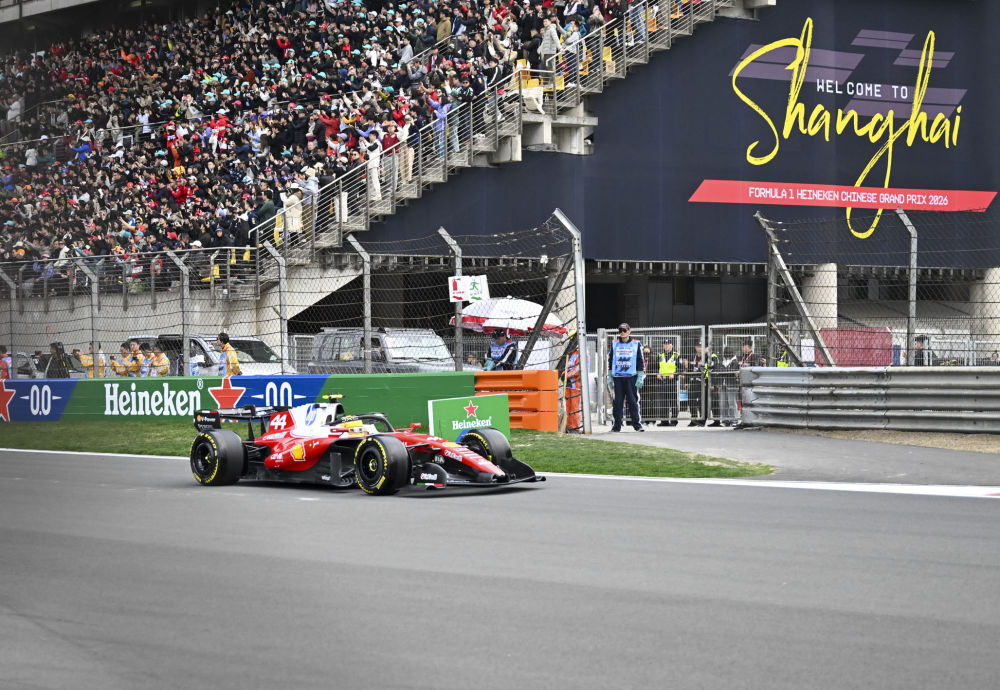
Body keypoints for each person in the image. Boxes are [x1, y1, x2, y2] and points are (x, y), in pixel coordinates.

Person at [608, 323, 644, 432]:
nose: (622, 333)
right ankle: (616, 426)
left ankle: (637, 425)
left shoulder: (636, 344)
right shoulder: (615, 344)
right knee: (617, 403)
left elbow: (640, 361)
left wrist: (640, 376)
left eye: (624, 330)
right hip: (618, 378)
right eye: (620, 331)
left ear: (629, 331)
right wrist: (610, 376)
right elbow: (610, 360)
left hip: (631, 378)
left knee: (633, 402)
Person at [656, 340, 680, 426]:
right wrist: (657, 373)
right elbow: (656, 367)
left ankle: (674, 421)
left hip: (671, 381)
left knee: (673, 401)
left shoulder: (676, 355)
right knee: (663, 402)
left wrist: (674, 374)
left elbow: (680, 368)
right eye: (665, 344)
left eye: (668, 344)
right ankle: (664, 421)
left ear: (672, 345)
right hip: (662, 381)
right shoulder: (660, 355)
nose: (666, 346)